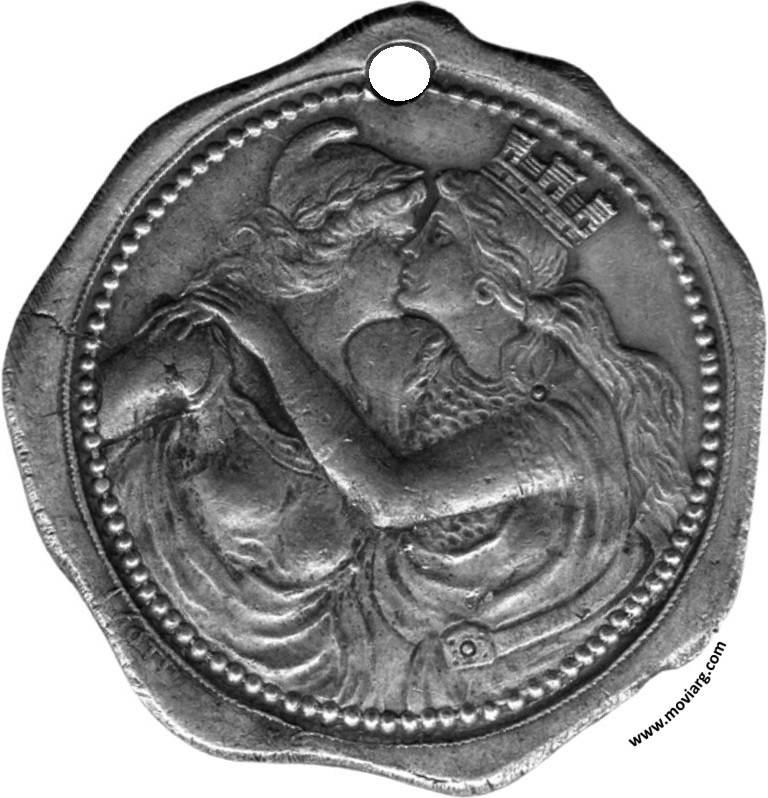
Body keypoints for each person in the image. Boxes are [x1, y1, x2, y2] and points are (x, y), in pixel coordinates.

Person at [183, 125, 692, 709]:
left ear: (488, 286)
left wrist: (271, 342)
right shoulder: (431, 365)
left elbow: (389, 499)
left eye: (440, 238)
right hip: (377, 624)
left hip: (475, 675)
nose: (412, 248)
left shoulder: (557, 427)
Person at [99, 119, 428, 702]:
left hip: (333, 685)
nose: (413, 255)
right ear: (339, 245)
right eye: (397, 241)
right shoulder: (201, 355)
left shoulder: (375, 400)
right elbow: (69, 444)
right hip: (155, 641)